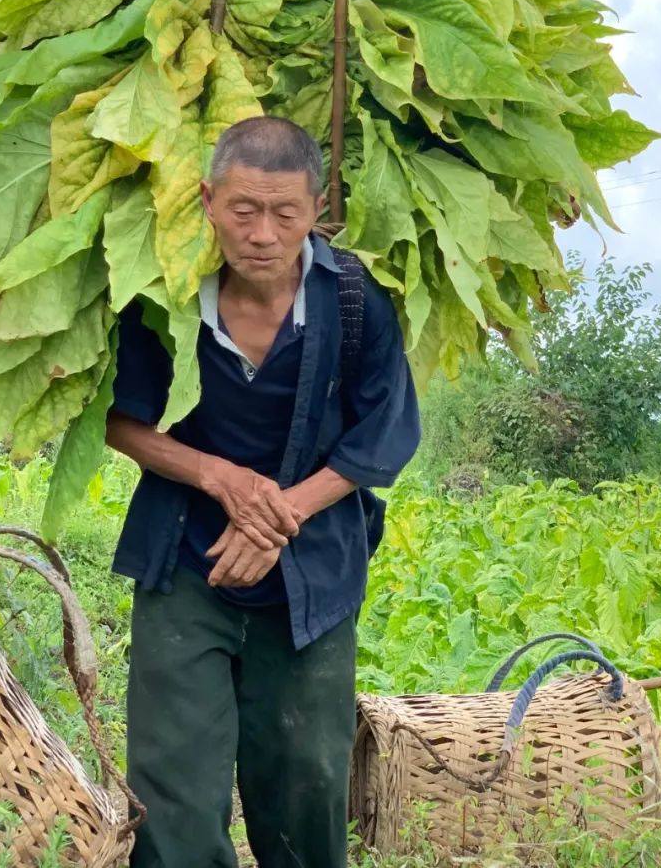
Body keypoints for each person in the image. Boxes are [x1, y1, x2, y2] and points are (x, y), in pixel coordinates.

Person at [105, 114, 421, 868]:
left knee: (307, 781)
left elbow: (383, 435)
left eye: (285, 212)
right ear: (208, 200)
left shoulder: (353, 304)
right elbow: (119, 422)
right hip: (187, 564)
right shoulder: (167, 301)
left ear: (318, 210)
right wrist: (221, 477)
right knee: (172, 787)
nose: (262, 232)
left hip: (311, 579)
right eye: (243, 210)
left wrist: (275, 515)